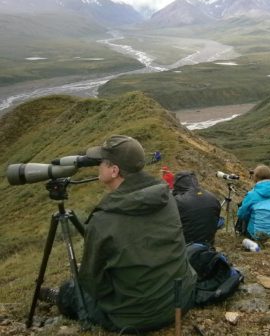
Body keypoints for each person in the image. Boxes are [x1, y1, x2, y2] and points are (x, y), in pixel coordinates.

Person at [41, 135, 196, 333]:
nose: (98, 166)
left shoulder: (103, 220)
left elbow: (93, 284)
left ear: (114, 171)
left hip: (135, 317)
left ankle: (56, 296)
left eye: (102, 162)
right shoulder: (166, 197)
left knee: (71, 291)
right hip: (180, 300)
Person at [237, 165, 270, 241]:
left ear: (255, 177)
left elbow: (241, 215)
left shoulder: (251, 195)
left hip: (257, 237)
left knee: (245, 212)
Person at [173, 171, 222, 245]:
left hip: (186, 246)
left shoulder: (177, 201)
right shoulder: (212, 197)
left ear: (177, 185)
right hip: (208, 243)